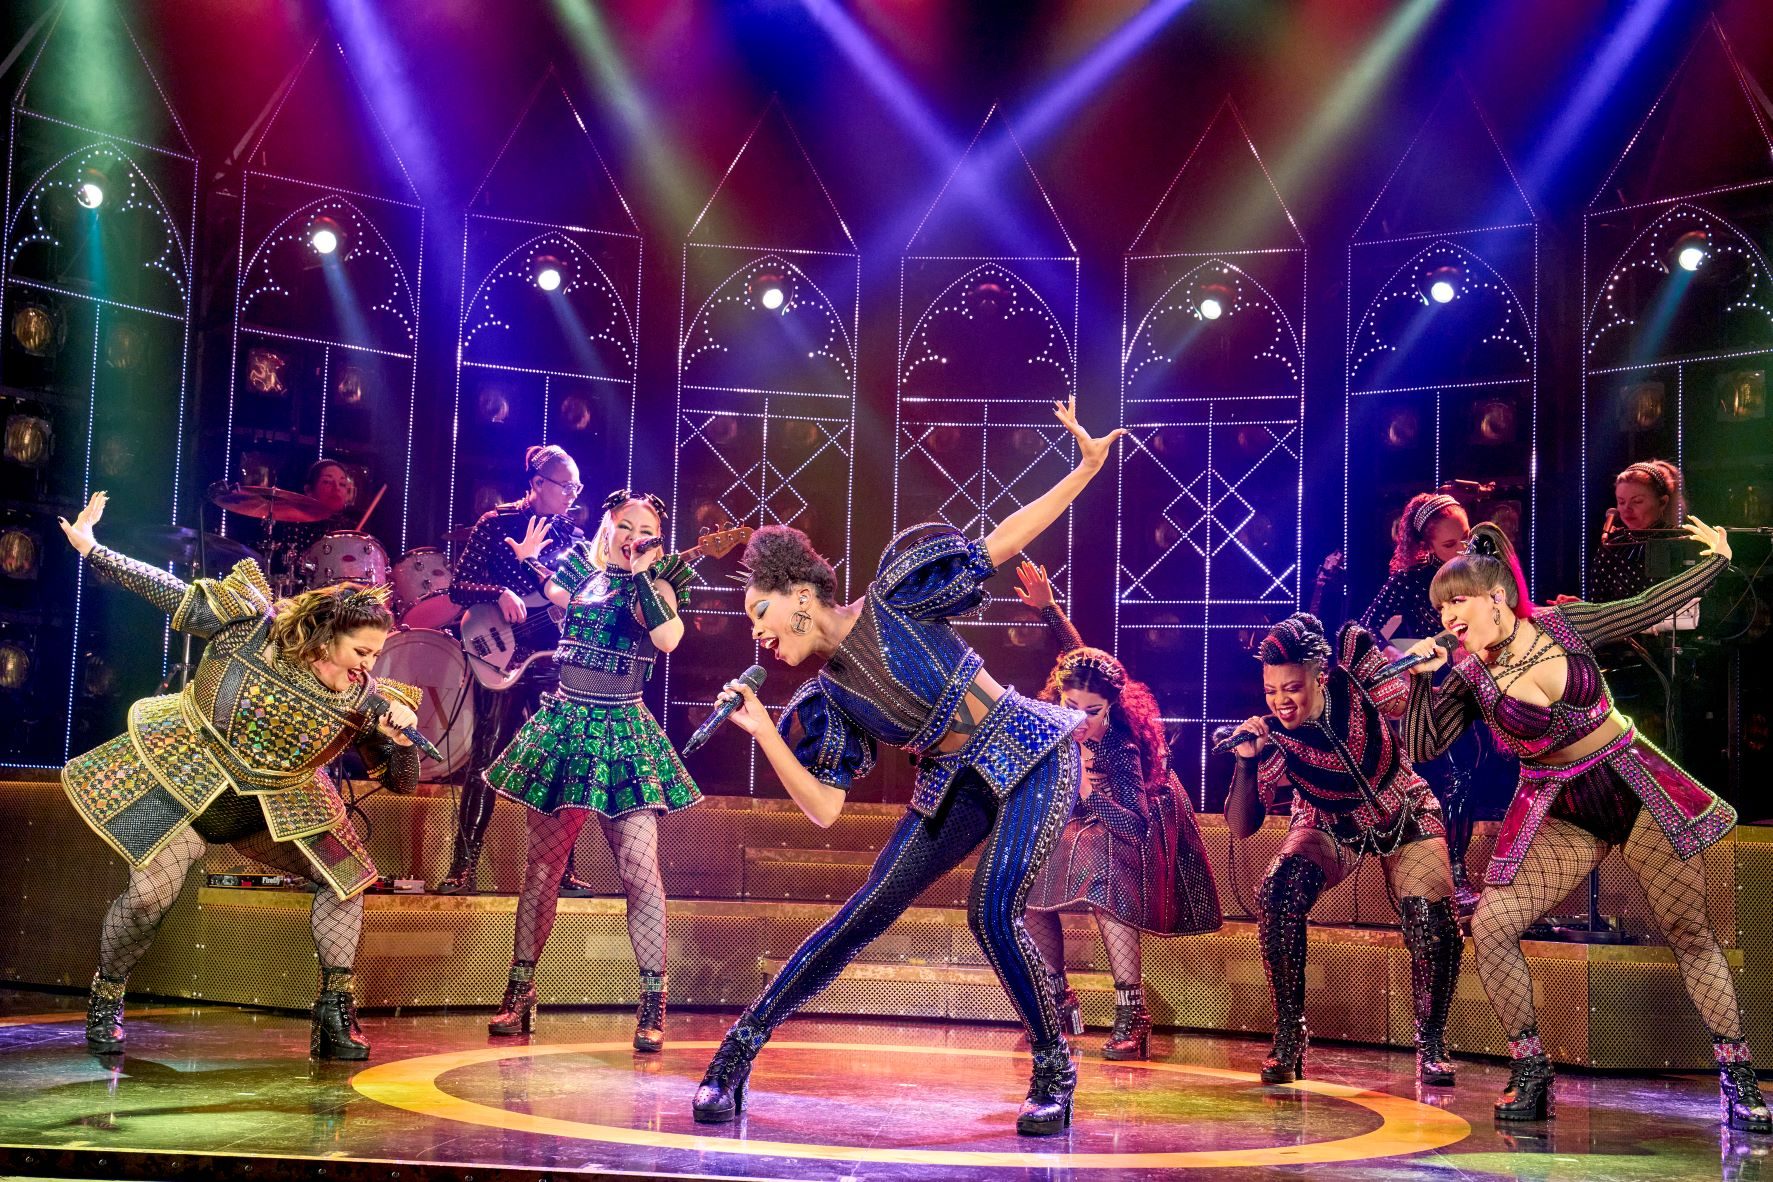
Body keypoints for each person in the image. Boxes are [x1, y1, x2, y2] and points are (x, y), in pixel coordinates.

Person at [691, 397, 1122, 1136]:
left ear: (802, 598)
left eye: (761, 613)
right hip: (954, 781)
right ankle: (733, 1058)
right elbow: (824, 808)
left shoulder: (895, 594)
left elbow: (999, 541)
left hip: (1029, 751)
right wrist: (763, 731)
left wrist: (1083, 468)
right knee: (864, 910)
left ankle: (1054, 1071)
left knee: (990, 911)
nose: (758, 634)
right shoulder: (826, 697)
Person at [1401, 521, 1767, 1130]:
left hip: (1634, 785)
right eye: (1440, 607)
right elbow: (1423, 746)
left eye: (1457, 601)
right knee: (1491, 924)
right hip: (1562, 807)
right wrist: (1421, 681)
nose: (1447, 617)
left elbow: (1645, 607)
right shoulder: (1468, 676)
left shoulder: (1564, 626)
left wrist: (1717, 561)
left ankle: (1738, 1076)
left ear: (1496, 597)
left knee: (1688, 929)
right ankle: (1531, 1068)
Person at [57, 491, 422, 1060]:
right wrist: (93, 549)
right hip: (193, 780)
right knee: (149, 897)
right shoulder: (250, 630)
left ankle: (334, 1013)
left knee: (346, 879)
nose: (368, 665)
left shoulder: (365, 699)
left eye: (376, 656)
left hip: (283, 801)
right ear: (327, 637)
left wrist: (401, 743)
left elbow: (403, 785)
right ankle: (107, 993)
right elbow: (166, 589)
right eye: (361, 651)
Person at [482, 490, 701, 1051]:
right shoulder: (582, 569)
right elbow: (553, 591)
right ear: (608, 527)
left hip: (623, 729)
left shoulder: (662, 583)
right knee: (542, 869)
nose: (633, 536)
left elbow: (668, 639)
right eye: (624, 525)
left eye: (645, 530)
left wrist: (643, 574)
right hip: (566, 723)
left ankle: (652, 1002)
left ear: (658, 540)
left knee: (639, 869)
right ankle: (520, 993)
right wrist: (530, 559)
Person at [1223, 613, 1463, 1086]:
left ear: (1319, 676)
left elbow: (1412, 714)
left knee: (1430, 917)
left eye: (1292, 688)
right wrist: (1246, 762)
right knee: (1279, 892)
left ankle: (1432, 1042)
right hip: (1329, 823)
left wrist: (1418, 675)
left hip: (1402, 807)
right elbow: (1242, 826)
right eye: (1271, 690)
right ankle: (1290, 1034)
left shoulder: (1356, 677)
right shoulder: (1274, 736)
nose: (1280, 701)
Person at [1012, 561, 1221, 1061]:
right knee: (1027, 874)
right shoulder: (1071, 700)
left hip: (1138, 812)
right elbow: (1078, 657)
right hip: (1085, 808)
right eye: (1069, 706)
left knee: (1103, 868)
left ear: (1111, 706)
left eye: (1092, 711)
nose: (1079, 720)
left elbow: (1135, 824)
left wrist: (1087, 789)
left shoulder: (1121, 745)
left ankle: (1133, 1012)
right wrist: (1049, 608)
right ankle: (1056, 998)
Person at [439, 445, 593, 897]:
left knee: (561, 763)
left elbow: (582, 598)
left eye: (576, 487)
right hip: (501, 654)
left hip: (550, 660)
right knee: (487, 756)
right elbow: (458, 588)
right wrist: (499, 592)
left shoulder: (574, 537)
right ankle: (463, 866)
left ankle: (561, 872)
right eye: (565, 486)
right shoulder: (495, 524)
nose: (572, 495)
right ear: (538, 483)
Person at [1360, 492, 1487, 911]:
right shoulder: (1412, 580)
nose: (1463, 548)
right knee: (1449, 776)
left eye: (1466, 537)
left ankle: (1457, 871)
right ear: (1427, 545)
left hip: (1481, 687)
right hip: (1432, 692)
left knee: (1468, 775)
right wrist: (1410, 654)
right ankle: (1447, 873)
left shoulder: (1484, 571)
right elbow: (1366, 630)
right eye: (1450, 544)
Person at [1590, 460, 1684, 602]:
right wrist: (1579, 607)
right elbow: (1599, 604)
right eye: (1621, 502)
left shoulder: (1680, 541)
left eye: (1637, 501)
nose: (1626, 509)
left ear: (1662, 502)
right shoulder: (1612, 544)